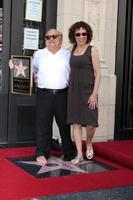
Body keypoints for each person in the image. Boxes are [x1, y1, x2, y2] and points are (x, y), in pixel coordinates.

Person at [9, 28, 75, 165]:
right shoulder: (39, 54)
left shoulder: (67, 55)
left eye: (54, 36)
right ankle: (42, 152)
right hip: (44, 94)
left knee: (64, 124)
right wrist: (13, 66)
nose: (51, 39)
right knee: (43, 124)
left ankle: (69, 152)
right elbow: (29, 69)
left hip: (62, 94)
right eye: (48, 37)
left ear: (61, 38)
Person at [67, 21, 101, 164]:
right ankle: (79, 154)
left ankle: (89, 142)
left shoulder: (92, 50)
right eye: (78, 34)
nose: (81, 37)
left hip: (89, 92)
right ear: (73, 36)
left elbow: (98, 73)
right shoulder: (70, 50)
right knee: (76, 123)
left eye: (84, 34)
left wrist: (94, 94)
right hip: (73, 91)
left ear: (88, 34)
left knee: (91, 123)